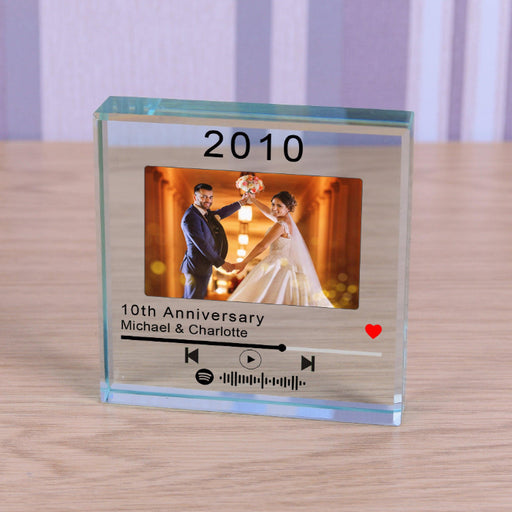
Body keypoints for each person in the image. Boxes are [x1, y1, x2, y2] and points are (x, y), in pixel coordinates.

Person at [227, 191, 333, 307]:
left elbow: (262, 245)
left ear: (288, 208)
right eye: (273, 204)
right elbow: (269, 212)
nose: (274, 208)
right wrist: (253, 200)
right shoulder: (287, 222)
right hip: (286, 263)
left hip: (277, 264)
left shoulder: (281, 225)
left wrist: (244, 262)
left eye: (279, 206)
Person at [180, 183, 250, 299]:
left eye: (210, 197)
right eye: (204, 197)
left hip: (202, 267)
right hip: (196, 267)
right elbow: (202, 244)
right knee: (192, 301)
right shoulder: (191, 217)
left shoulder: (204, 213)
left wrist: (241, 202)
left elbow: (222, 212)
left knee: (192, 299)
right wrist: (221, 262)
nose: (208, 200)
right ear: (195, 197)